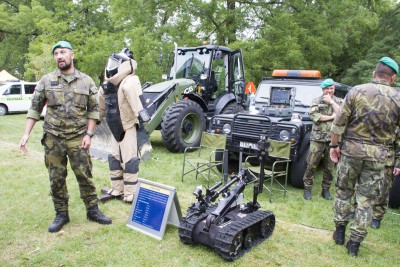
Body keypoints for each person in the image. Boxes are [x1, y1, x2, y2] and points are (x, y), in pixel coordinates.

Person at [19, 41, 112, 233]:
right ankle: (61, 213)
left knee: (84, 175)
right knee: (56, 178)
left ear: (72, 54)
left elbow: (94, 110)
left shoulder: (86, 81)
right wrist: (26, 134)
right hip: (53, 137)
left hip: (79, 137)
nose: (59, 56)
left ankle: (92, 210)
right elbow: (35, 108)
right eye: (55, 54)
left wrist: (89, 134)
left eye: (62, 52)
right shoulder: (46, 80)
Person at [330, 56, 400, 257]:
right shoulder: (398, 98)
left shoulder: (356, 91)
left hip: (351, 151)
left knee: (343, 191)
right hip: (379, 157)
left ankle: (340, 231)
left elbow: (338, 123)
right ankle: (354, 244)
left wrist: (334, 146)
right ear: (392, 77)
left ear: (374, 73)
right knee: (366, 200)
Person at [98, 48, 146, 203]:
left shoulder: (130, 81)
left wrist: (142, 114)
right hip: (113, 127)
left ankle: (130, 191)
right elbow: (100, 106)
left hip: (128, 126)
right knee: (114, 157)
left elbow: (137, 101)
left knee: (130, 159)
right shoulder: (106, 85)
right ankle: (117, 187)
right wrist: (95, 119)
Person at [303, 78, 343, 200]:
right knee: (311, 164)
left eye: (331, 88)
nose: (329, 91)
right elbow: (315, 116)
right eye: (327, 88)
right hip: (317, 138)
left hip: (333, 140)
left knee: (329, 167)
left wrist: (331, 102)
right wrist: (332, 117)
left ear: (334, 89)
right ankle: (307, 188)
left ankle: (325, 190)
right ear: (323, 89)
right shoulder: (316, 101)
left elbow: (341, 115)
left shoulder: (338, 102)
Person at [371, 129, 400, 229]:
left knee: (383, 190)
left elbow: (399, 144)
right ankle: (356, 209)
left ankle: (376, 217)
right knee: (363, 185)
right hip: (368, 156)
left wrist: (398, 165)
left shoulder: (395, 120)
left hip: (387, 161)